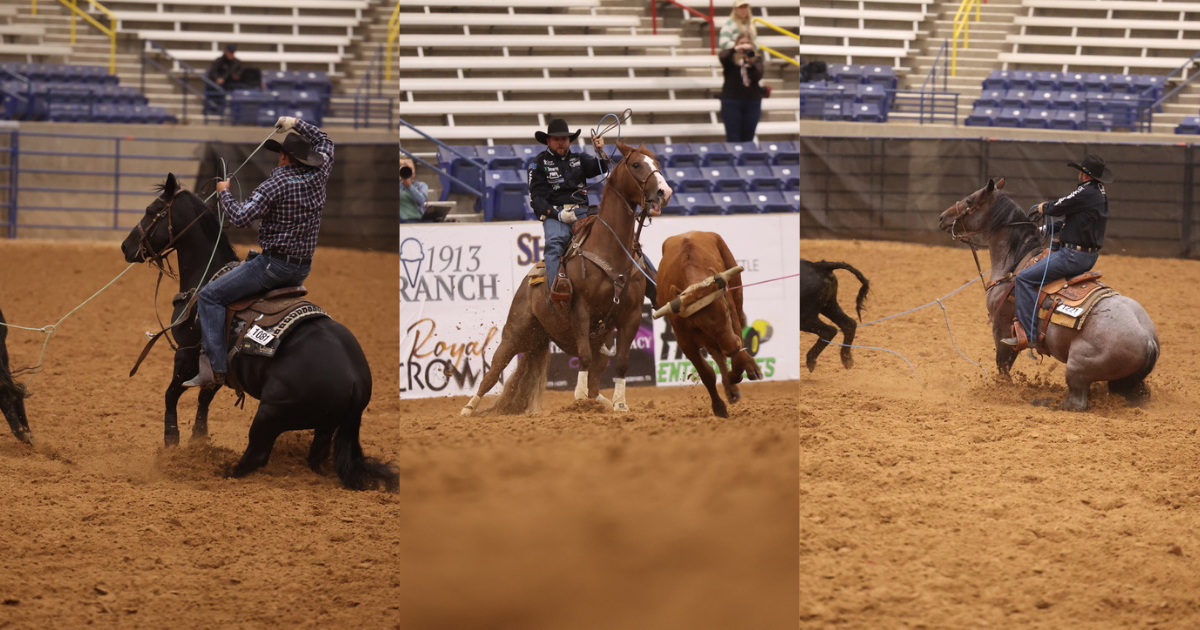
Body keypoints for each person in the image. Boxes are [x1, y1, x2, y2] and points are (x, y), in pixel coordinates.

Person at [183, 116, 334, 388]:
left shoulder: (276, 184)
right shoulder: (320, 172)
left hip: (273, 267)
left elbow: (240, 218)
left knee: (210, 296)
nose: (278, 158)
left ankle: (215, 368)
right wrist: (296, 122)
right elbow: (325, 140)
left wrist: (223, 193)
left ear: (285, 157)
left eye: (280, 154)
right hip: (302, 268)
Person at [527, 118, 657, 307]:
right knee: (555, 244)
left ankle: (655, 286)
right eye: (556, 139)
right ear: (548, 141)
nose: (561, 142)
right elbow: (536, 197)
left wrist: (600, 151)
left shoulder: (579, 159)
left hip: (582, 213)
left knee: (620, 239)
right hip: (556, 215)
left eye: (564, 139)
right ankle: (557, 291)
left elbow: (602, 167)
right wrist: (556, 214)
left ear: (569, 140)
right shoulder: (538, 163)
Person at [1001, 153, 1113, 352]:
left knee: (1024, 278)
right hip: (1086, 255)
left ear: (1085, 175)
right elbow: (1072, 221)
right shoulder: (1098, 194)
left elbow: (1061, 205)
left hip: (1072, 256)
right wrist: (1043, 229)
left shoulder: (1085, 191)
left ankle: (1028, 335)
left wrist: (1043, 208)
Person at [719, 33, 765, 142]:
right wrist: (735, 49)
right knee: (733, 136)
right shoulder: (730, 59)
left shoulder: (756, 59)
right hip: (732, 101)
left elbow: (758, 76)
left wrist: (751, 63)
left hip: (752, 102)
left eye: (747, 43)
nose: (745, 46)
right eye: (742, 43)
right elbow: (722, 57)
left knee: (748, 137)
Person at [399, 156, 429, 222]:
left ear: (414, 170)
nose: (409, 171)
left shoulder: (421, 185)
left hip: (416, 218)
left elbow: (421, 200)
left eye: (411, 169)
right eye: (406, 169)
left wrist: (409, 186)